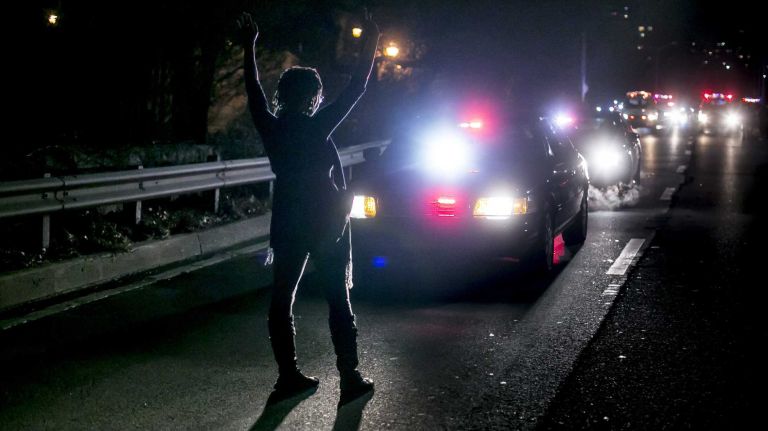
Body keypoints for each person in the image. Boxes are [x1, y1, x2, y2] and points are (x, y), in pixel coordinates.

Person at [237, 12, 379, 405]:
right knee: (337, 298)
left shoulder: (273, 128)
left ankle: (288, 376)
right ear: (314, 97)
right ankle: (349, 377)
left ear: (282, 95)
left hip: (287, 221)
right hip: (325, 222)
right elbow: (357, 86)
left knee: (282, 299)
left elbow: (253, 90)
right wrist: (371, 39)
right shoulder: (317, 127)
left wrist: (249, 45)